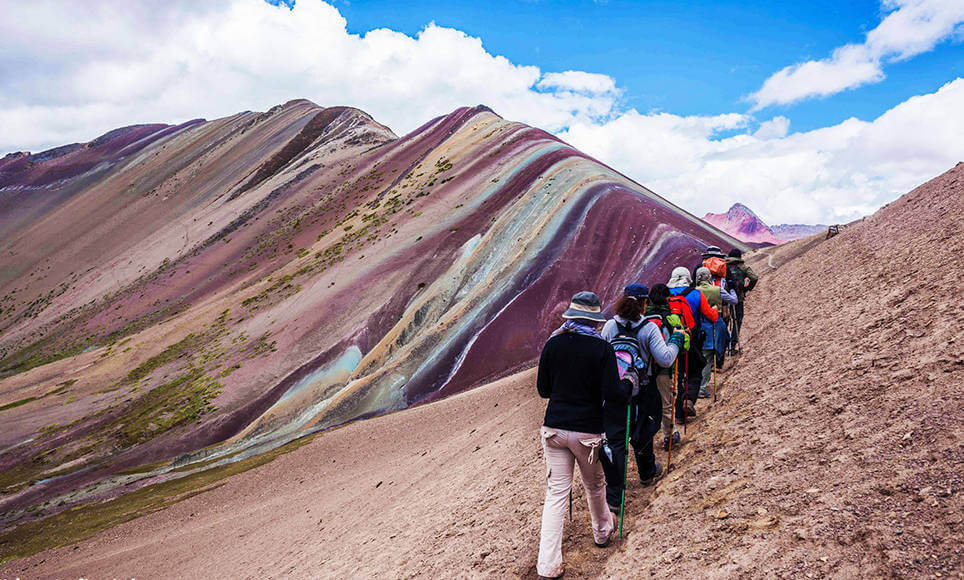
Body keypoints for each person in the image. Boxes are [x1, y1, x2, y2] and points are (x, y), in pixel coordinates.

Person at [536, 291, 619, 579]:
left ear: (571, 316)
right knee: (595, 485)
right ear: (595, 320)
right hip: (588, 431)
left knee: (556, 494)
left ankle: (548, 565)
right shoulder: (602, 349)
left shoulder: (553, 343)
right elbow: (611, 393)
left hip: (554, 428)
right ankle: (602, 532)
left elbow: (543, 390)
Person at [599, 283, 684, 512]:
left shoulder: (609, 326)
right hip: (643, 389)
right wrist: (676, 340)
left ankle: (614, 496)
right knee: (644, 431)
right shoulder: (648, 328)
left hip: (615, 392)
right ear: (644, 303)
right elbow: (665, 359)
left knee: (616, 441)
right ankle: (647, 471)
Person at [667, 267, 718, 419]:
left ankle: (677, 411)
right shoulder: (696, 294)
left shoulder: (666, 295)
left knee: (676, 375)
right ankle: (688, 399)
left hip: (669, 340)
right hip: (691, 339)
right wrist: (715, 309)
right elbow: (711, 317)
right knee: (694, 371)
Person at [645, 284, 685, 450]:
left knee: (647, 403)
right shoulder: (672, 318)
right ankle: (669, 435)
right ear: (667, 298)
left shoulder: (642, 318)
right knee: (667, 402)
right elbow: (685, 344)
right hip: (665, 369)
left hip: (644, 370)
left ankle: (646, 436)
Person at [694, 267, 730, 398]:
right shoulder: (717, 290)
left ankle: (698, 387)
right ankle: (702, 388)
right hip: (714, 326)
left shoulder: (694, 291)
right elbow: (732, 300)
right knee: (708, 359)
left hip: (699, 327)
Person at [725, 248, 758, 354]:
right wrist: (747, 288)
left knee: (725, 321)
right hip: (738, 298)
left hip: (725, 299)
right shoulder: (742, 267)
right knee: (737, 321)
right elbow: (754, 277)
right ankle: (733, 345)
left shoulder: (724, 266)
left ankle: (723, 345)